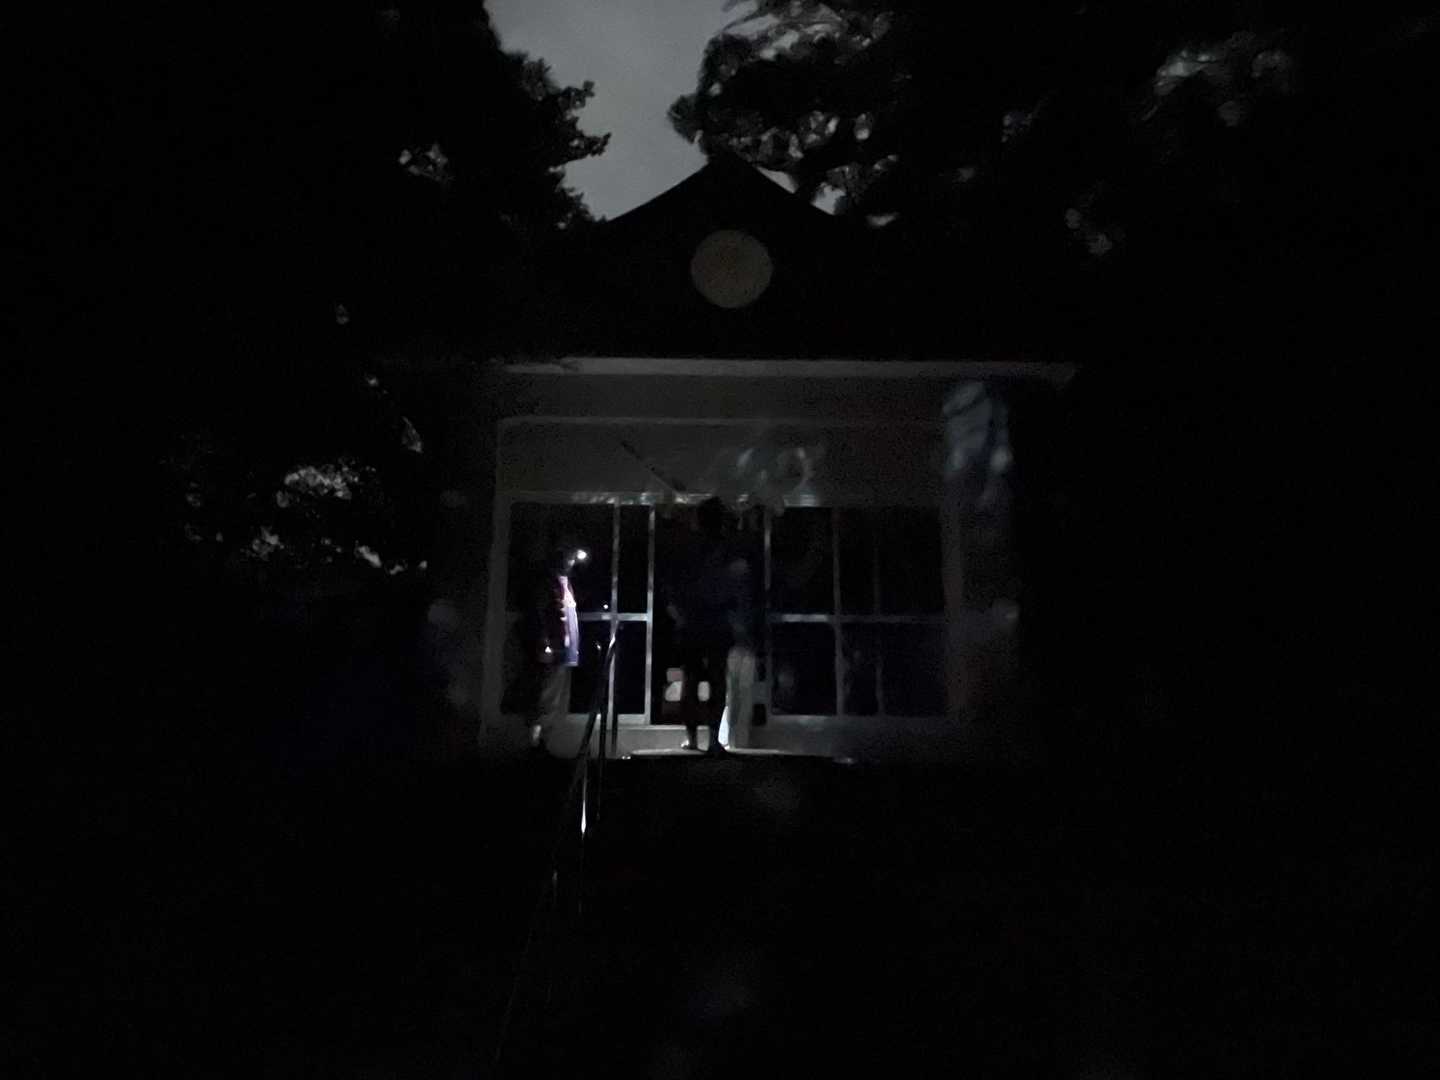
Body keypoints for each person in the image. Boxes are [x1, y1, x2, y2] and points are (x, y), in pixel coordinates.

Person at [667, 497, 743, 755]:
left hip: (693, 621)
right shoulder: (726, 548)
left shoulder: (688, 548)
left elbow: (675, 585)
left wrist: (680, 613)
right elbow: (735, 582)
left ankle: (692, 738)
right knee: (717, 678)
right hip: (717, 620)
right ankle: (712, 740)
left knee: (691, 679)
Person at [527, 542, 585, 754]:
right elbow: (540, 614)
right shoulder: (548, 584)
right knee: (547, 696)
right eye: (568, 558)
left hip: (566, 650)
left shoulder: (567, 584)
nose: (571, 563)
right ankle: (536, 744)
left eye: (572, 559)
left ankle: (545, 742)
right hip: (555, 648)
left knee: (558, 697)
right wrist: (545, 642)